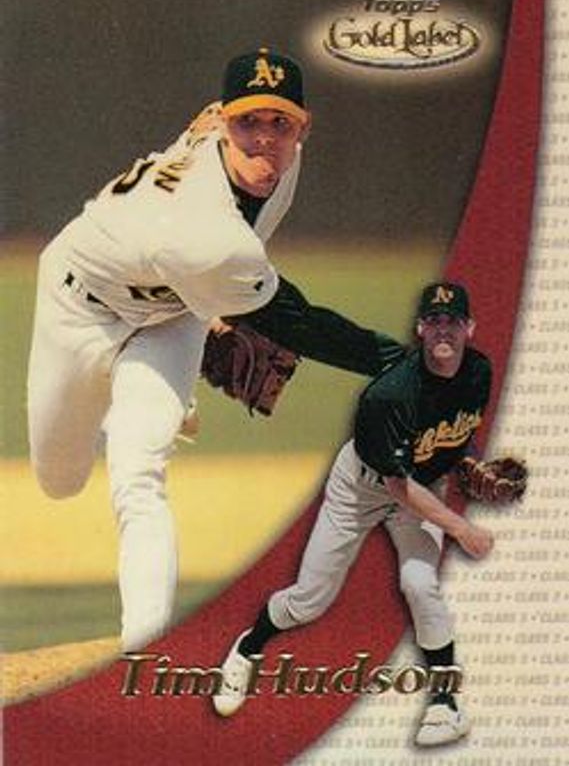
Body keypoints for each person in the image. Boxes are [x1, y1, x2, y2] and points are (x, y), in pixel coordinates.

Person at [27, 48, 400, 652]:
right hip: (78, 306)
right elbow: (302, 325)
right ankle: (121, 405)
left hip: (170, 317)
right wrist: (403, 363)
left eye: (280, 122)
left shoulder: (267, 159)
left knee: (138, 475)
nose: (265, 139)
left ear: (304, 128)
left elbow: (236, 245)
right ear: (223, 124)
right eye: (248, 122)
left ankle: (143, 651)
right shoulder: (201, 221)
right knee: (59, 479)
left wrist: (215, 304)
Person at [213, 282, 494, 748]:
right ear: (421, 328)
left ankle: (446, 702)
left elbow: (452, 432)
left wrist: (470, 463)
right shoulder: (390, 394)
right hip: (363, 488)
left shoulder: (479, 371)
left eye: (453, 321)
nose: (444, 330)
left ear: (469, 328)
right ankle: (249, 647)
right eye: (435, 321)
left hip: (421, 485)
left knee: (420, 583)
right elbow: (398, 486)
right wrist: (461, 527)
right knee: (309, 600)